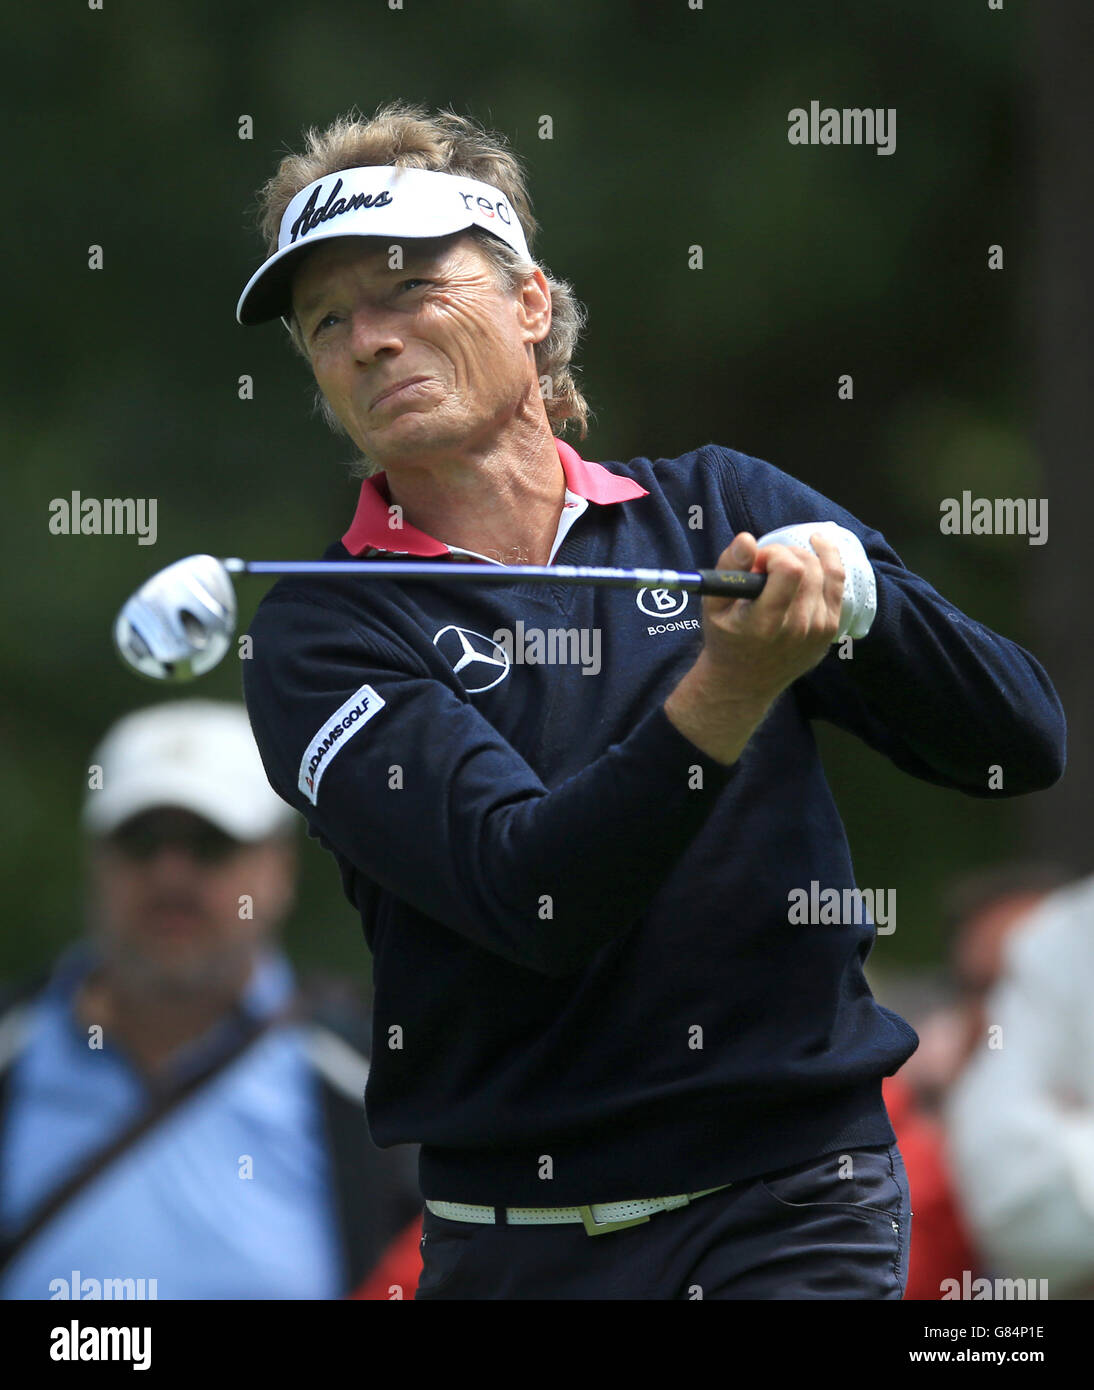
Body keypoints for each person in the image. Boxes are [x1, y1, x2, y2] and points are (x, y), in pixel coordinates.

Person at [236, 101, 1066, 1300]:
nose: (368, 338)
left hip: (794, 1205)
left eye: (410, 288)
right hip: (511, 1237)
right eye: (327, 321)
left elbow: (1016, 741)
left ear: (529, 304)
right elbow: (532, 892)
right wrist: (729, 684)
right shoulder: (321, 632)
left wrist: (859, 604)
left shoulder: (715, 505)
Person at [0, 700, 421, 1300]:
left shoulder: (379, 1085)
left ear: (281, 867)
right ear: (96, 860)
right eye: (142, 841)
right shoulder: (12, 1050)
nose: (172, 877)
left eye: (211, 844)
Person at [944, 872, 1094, 1298]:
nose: (1004, 1021)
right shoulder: (885, 1168)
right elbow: (1017, 1202)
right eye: (985, 988)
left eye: (1019, 988)